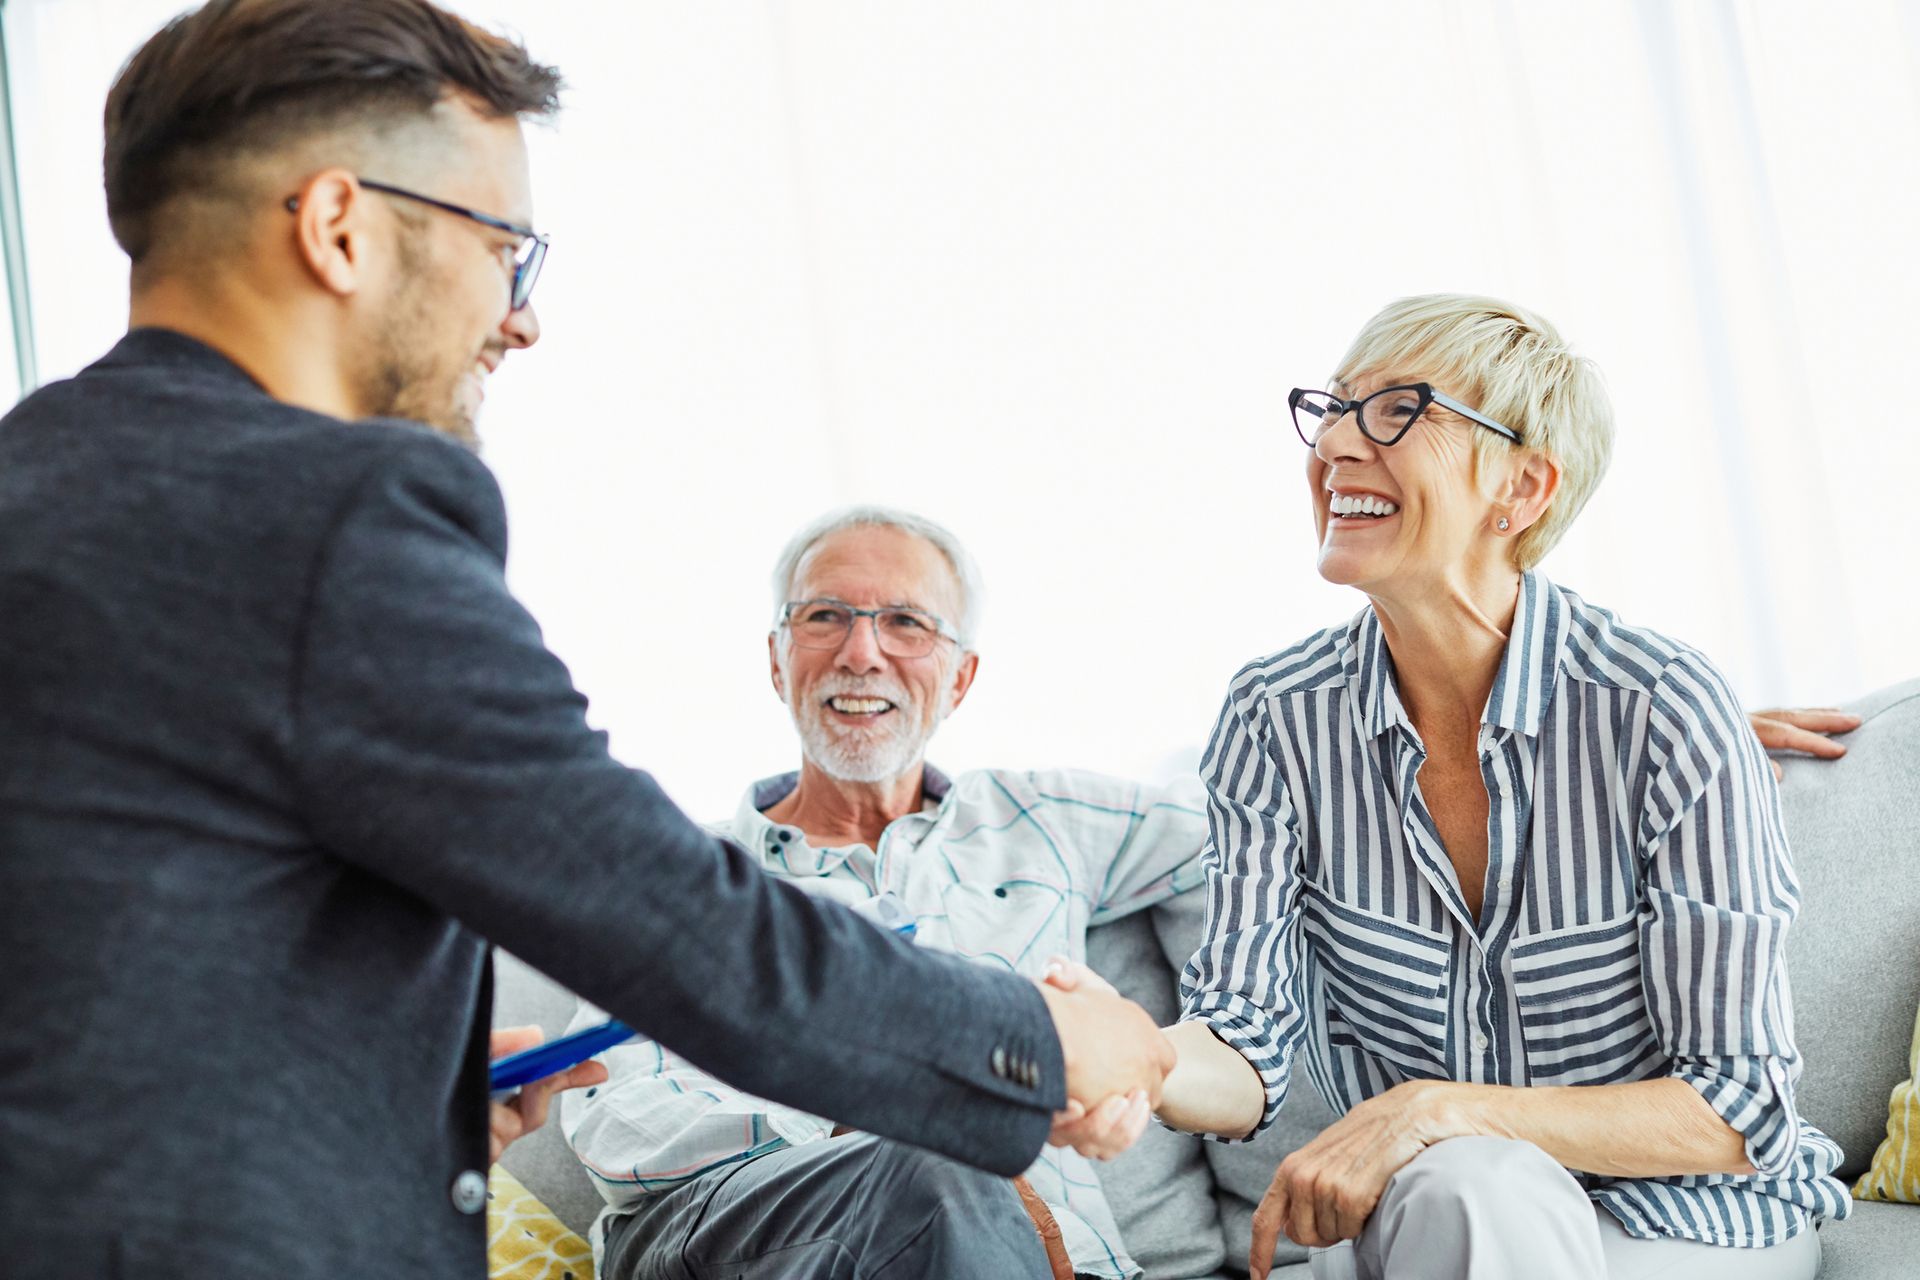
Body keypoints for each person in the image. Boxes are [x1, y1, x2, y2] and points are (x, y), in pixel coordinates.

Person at [0, 4, 1172, 1276]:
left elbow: (121, 965)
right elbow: (676, 923)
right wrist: (1038, 1047)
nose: (520, 318)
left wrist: (413, 1094)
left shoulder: (40, 488)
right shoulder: (331, 510)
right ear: (339, 226)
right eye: (505, 246)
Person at [1053, 295, 1851, 1280]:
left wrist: (1432, 1107)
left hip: (1689, 1226)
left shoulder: (1662, 709)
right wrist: (1150, 1055)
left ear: (1522, 484)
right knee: (1472, 1187)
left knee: (1474, 1176)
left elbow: (1739, 1106)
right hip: (1443, 1216)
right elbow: (1245, 1042)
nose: (1338, 442)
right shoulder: (1275, 717)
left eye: (1398, 410)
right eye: (1334, 407)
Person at [558, 506, 1208, 1280]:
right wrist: (861, 1129)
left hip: (1050, 1259)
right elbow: (613, 1109)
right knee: (938, 1165)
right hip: (738, 1229)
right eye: (825, 616)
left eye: (905, 623)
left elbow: (1252, 836)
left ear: (960, 677)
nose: (862, 653)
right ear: (776, 658)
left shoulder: (1041, 819)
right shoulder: (675, 869)